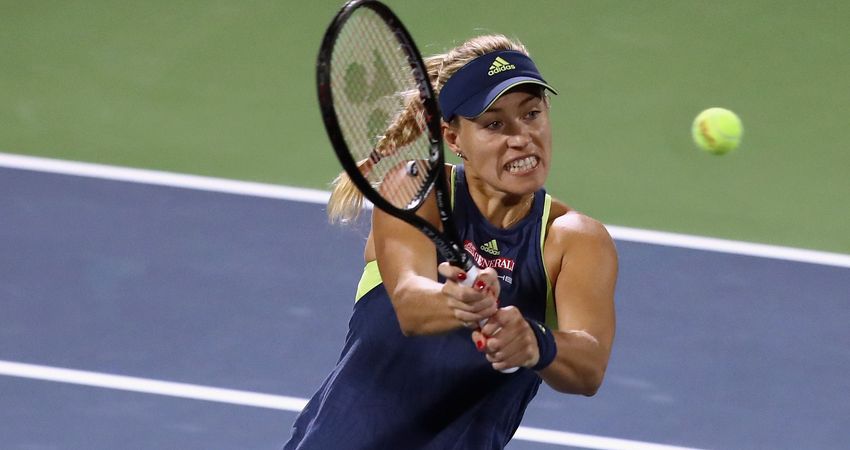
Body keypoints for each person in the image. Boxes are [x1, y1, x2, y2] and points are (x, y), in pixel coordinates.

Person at [284, 34, 617, 449]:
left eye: (532, 114)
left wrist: (537, 342)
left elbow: (590, 368)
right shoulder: (416, 188)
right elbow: (409, 302)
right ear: (454, 138)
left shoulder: (573, 240)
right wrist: (459, 302)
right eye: (494, 124)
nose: (521, 137)